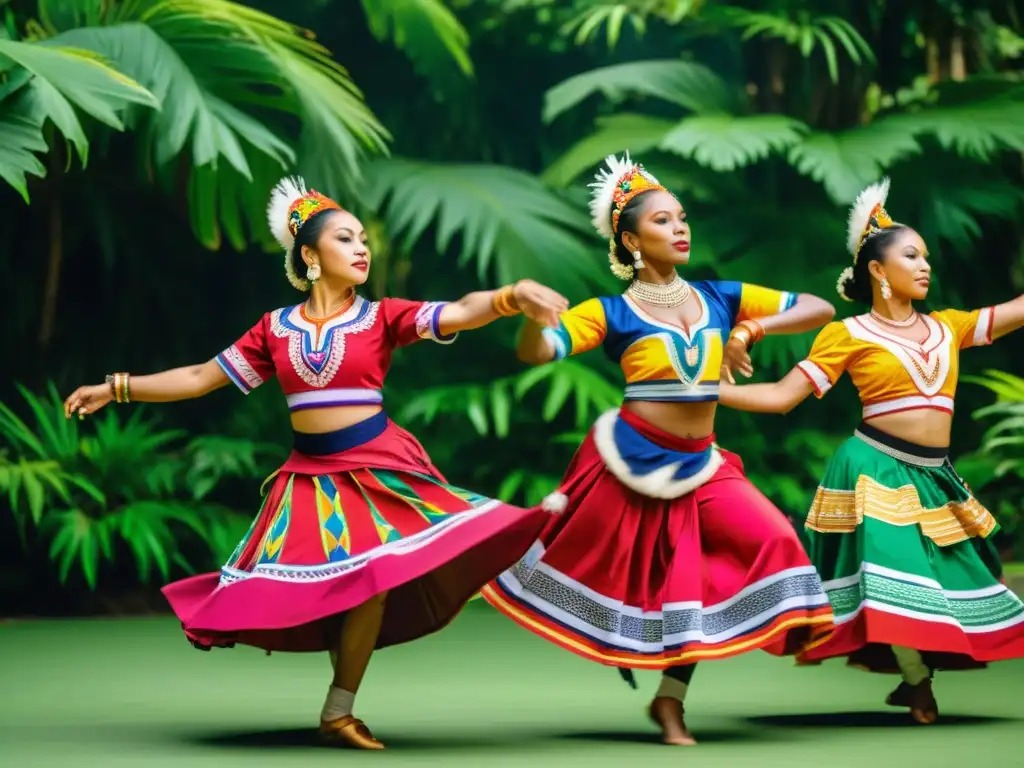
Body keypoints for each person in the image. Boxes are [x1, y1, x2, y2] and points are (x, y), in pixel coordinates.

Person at [62, 177, 570, 750]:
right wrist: (118, 387)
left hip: (379, 470)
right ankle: (338, 711)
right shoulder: (274, 330)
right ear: (309, 255)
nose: (361, 249)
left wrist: (508, 298)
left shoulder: (382, 317)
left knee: (374, 578)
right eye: (346, 238)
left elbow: (458, 312)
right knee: (344, 589)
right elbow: (200, 378)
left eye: (364, 241)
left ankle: (338, 711)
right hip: (310, 478)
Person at [480, 154, 837, 746]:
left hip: (705, 463)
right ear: (631, 239)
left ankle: (669, 698)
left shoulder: (721, 297)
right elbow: (538, 352)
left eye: (683, 218)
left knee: (774, 537)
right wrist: (529, 317)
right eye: (664, 221)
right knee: (665, 580)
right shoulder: (611, 311)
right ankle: (671, 707)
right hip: (633, 461)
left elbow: (818, 308)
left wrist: (750, 329)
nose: (681, 228)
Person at [718, 177, 1024, 725]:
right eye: (912, 255)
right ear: (879, 271)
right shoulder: (846, 333)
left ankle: (914, 682)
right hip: (873, 469)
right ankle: (918, 685)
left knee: (959, 578)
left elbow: (1015, 310)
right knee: (892, 573)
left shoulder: (948, 328)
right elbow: (784, 396)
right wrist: (708, 391)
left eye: (926, 256)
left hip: (934, 475)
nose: (925, 265)